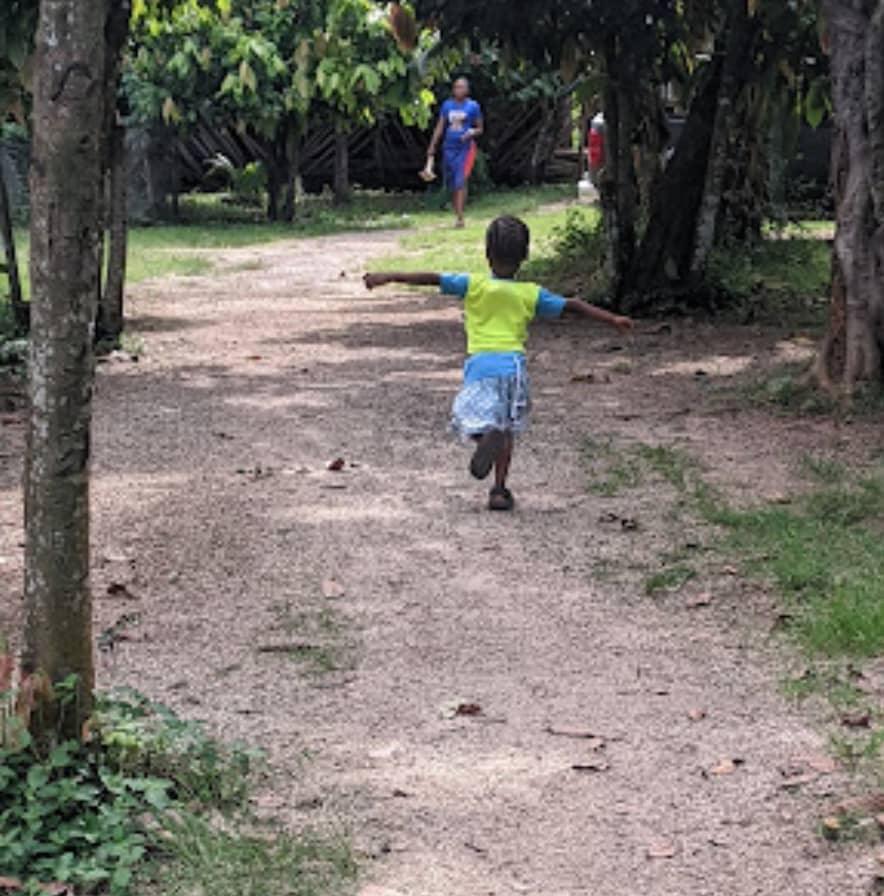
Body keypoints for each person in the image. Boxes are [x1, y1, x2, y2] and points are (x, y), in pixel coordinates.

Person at [364, 215, 634, 512]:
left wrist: (388, 276)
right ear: (525, 256)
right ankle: (499, 489)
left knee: (468, 415)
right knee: (506, 429)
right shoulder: (530, 293)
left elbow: (431, 278)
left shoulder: (473, 285)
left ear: (487, 254)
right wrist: (612, 319)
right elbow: (573, 306)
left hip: (481, 366)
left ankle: (483, 439)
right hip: (514, 370)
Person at [427, 78, 483, 228]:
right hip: (449, 147)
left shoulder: (473, 106)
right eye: (456, 87)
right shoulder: (447, 105)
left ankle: (460, 217)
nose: (458, 90)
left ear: (467, 90)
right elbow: (440, 126)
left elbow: (480, 128)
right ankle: (457, 212)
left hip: (465, 148)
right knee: (452, 182)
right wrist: (432, 146)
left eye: (461, 87)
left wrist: (471, 133)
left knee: (461, 181)